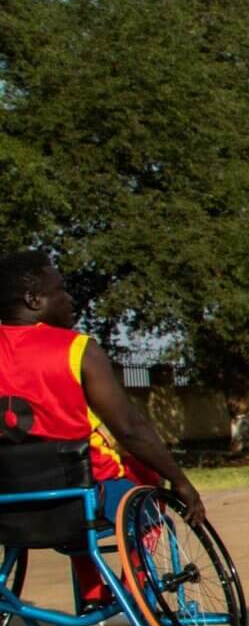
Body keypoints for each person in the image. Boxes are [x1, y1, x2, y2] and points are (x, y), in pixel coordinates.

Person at [0, 253, 208, 603]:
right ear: (34, 301)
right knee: (145, 490)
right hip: (79, 497)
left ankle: (94, 591)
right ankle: (136, 595)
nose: (69, 299)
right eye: (60, 290)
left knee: (69, 497)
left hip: (8, 502)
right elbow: (130, 429)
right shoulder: (76, 349)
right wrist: (183, 482)